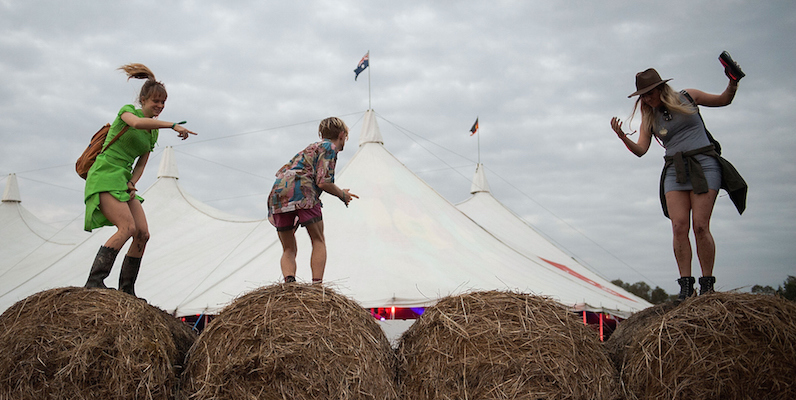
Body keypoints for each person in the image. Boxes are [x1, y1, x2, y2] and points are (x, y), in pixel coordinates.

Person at [610, 62, 745, 302]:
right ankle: (685, 286)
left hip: (704, 163)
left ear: (661, 88)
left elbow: (724, 100)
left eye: (650, 92)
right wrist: (622, 138)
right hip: (674, 169)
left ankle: (707, 285)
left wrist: (732, 83)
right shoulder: (650, 116)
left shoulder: (688, 97)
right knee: (678, 227)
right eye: (643, 95)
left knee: (700, 226)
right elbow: (641, 149)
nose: (647, 98)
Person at [84, 64, 197, 299]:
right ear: (143, 99)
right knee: (127, 228)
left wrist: (133, 182)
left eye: (163, 103)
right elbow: (136, 124)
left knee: (143, 233)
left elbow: (142, 163)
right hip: (105, 174)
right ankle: (94, 282)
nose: (160, 107)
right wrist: (172, 125)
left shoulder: (153, 133)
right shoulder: (127, 112)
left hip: (123, 179)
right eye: (156, 102)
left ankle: (127, 289)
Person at [267, 117, 358, 284]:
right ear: (342, 135)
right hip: (303, 191)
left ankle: (290, 283)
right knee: (318, 239)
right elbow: (323, 182)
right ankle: (316, 287)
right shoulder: (329, 147)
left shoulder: (309, 149)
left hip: (278, 194)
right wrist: (342, 195)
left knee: (288, 247)